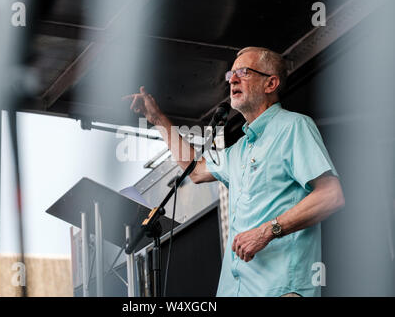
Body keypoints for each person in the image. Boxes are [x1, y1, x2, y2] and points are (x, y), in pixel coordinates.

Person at [123, 46, 345, 297]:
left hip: (281, 289)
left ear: (271, 83)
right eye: (231, 75)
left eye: (244, 72)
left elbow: (330, 196)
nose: (233, 80)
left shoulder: (293, 127)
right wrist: (158, 120)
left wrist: (266, 231)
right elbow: (195, 171)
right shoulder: (239, 149)